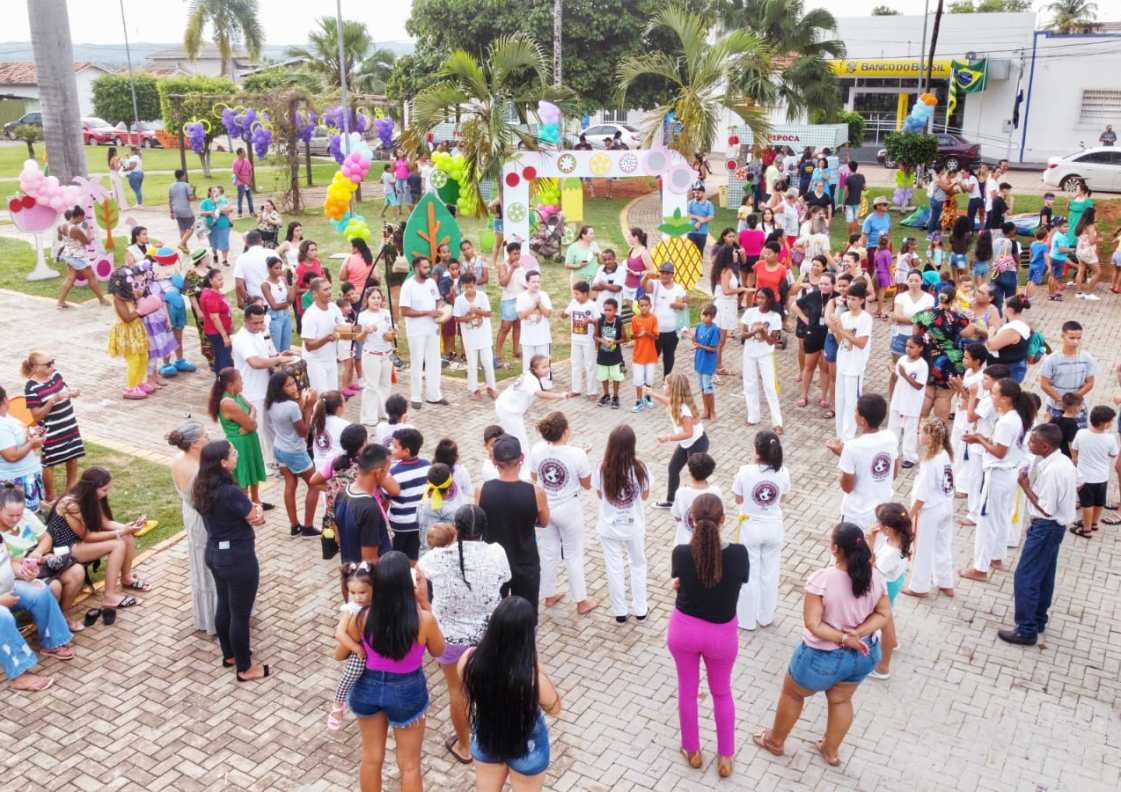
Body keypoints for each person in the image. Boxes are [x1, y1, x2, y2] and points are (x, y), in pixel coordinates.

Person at [752, 522, 890, 767]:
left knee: (793, 694)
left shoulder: (822, 580)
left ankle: (775, 741)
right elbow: (883, 615)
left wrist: (845, 638)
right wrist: (858, 633)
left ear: (836, 549)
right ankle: (830, 751)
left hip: (822, 657)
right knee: (841, 700)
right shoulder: (876, 576)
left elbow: (813, 625)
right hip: (864, 654)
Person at [416, 505, 511, 762]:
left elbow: (416, 576)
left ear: (455, 529)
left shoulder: (436, 558)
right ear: (484, 529)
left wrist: (426, 607)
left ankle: (464, 747)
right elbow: (505, 581)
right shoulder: (496, 552)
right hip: (488, 637)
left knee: (457, 691)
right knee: (490, 689)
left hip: (449, 638)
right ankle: (495, 742)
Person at [345, 552, 445, 792]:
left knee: (371, 758)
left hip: (367, 686)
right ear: (407, 582)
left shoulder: (362, 616)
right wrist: (424, 602)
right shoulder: (424, 620)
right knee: (409, 765)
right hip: (407, 690)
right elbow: (439, 650)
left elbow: (342, 649)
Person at [667, 493, 746, 777]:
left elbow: (683, 581)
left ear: (691, 520)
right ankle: (725, 756)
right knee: (722, 693)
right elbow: (735, 581)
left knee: (687, 690)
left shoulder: (681, 553)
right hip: (722, 635)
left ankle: (693, 750)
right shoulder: (738, 555)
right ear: (723, 520)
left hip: (684, 630)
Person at [459, 596, 561, 790]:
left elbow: (465, 684)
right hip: (527, 744)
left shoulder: (469, 659)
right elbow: (555, 707)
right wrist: (536, 665)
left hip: (487, 736)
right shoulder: (531, 678)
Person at [998, 423, 1078, 646]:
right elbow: (1079, 483)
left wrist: (1025, 486)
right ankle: (1039, 618)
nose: (1029, 445)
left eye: (1032, 442)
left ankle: (1026, 629)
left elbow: (1047, 508)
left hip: (1046, 526)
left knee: (1026, 576)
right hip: (1054, 528)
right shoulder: (1062, 462)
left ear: (1044, 446)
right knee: (1044, 575)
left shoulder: (1053, 471)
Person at [45, 466, 149, 624]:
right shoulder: (72, 504)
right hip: (66, 547)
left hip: (80, 541)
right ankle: (110, 597)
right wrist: (120, 532)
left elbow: (105, 523)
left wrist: (129, 527)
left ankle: (127, 578)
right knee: (117, 545)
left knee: (126, 537)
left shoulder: (90, 497)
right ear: (92, 488)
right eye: (104, 490)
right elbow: (87, 536)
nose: (106, 494)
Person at [960, 378, 1035, 581]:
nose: (991, 396)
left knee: (986, 521)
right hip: (1009, 473)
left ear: (1005, 398)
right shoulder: (1016, 417)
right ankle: (996, 556)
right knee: (1001, 517)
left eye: (994, 393)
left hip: (999, 473)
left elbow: (999, 452)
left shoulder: (1007, 421)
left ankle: (980, 567)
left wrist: (979, 439)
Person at [0, 494, 75, 691]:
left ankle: (52, 641)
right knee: (3, 618)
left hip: (9, 587)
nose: (16, 519)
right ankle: (19, 675)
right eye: (11, 515)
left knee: (40, 590)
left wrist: (24, 573)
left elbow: (7, 564)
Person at [529, 412, 597, 616]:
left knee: (548, 553)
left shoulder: (537, 449)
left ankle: (548, 595)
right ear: (565, 431)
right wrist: (582, 457)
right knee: (573, 554)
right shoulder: (577, 454)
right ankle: (581, 601)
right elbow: (587, 485)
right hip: (569, 508)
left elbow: (533, 476)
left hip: (544, 507)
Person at [478, 435, 548, 616]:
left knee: (493, 612)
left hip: (493, 560)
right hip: (525, 560)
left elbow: (479, 521)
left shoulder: (482, 490)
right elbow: (544, 521)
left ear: (494, 461)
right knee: (527, 612)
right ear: (522, 458)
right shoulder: (536, 492)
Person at [731, 431, 789, 631]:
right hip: (773, 526)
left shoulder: (745, 472)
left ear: (756, 451)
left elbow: (738, 499)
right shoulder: (782, 472)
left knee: (749, 575)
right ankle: (765, 617)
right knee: (770, 574)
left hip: (750, 527)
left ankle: (746, 620)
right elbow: (784, 494)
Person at [593, 426, 650, 623]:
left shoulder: (602, 468)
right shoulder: (640, 469)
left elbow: (600, 494)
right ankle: (641, 608)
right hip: (633, 526)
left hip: (609, 526)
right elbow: (644, 494)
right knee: (638, 565)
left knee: (614, 568)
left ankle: (620, 611)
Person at [167, 421, 217, 634]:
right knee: (211, 567)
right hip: (204, 521)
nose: (209, 437)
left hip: (191, 515)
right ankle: (215, 617)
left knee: (201, 563)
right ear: (195, 443)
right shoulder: (197, 470)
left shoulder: (178, 459)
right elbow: (208, 502)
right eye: (205, 435)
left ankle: (207, 616)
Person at [827, 394, 898, 532]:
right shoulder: (891, 438)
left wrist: (843, 456)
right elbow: (893, 474)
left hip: (857, 515)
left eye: (856, 412)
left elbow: (847, 487)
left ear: (862, 421)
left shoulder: (852, 447)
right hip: (883, 512)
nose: (854, 414)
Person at [21, 352, 84, 503]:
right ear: (35, 367)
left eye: (53, 362)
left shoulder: (56, 374)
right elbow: (36, 417)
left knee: (72, 455)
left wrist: (72, 393)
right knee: (50, 462)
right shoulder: (31, 388)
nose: (53, 366)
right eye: (48, 364)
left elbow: (65, 390)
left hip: (69, 424)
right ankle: (50, 496)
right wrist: (52, 400)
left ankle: (70, 492)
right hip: (51, 429)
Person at [904, 417, 956, 599]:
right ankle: (945, 581)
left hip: (930, 510)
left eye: (921, 431)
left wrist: (909, 515)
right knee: (943, 545)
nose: (918, 434)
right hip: (946, 505)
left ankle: (919, 586)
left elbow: (922, 496)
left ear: (929, 437)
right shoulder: (947, 454)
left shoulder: (929, 462)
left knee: (922, 548)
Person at [265, 371, 321, 538]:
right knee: (314, 485)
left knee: (290, 485)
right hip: (295, 451)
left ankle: (294, 526)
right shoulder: (291, 407)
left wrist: (302, 405)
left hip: (279, 448)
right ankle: (308, 527)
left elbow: (291, 421)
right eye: (288, 385)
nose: (294, 387)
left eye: (293, 383)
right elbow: (304, 432)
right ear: (279, 388)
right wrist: (310, 406)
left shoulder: (271, 403)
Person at [208, 367, 268, 508]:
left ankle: (256, 500)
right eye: (240, 380)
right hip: (239, 443)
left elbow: (252, 409)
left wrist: (250, 418)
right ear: (230, 384)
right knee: (243, 476)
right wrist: (250, 421)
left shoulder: (237, 395)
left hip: (249, 439)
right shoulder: (228, 402)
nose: (243, 383)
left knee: (252, 469)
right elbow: (252, 425)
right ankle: (245, 507)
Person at [866, 503, 912, 680]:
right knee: (889, 619)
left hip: (884, 588)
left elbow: (873, 569)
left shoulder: (890, 553)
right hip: (894, 581)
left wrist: (870, 544)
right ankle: (892, 643)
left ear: (888, 528)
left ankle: (883, 667)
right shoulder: (904, 538)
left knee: (886, 624)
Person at [327, 562, 375, 730]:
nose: (358, 597)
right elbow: (339, 633)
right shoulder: (352, 609)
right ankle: (338, 705)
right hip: (359, 650)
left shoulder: (376, 605)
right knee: (352, 672)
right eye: (353, 593)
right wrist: (356, 648)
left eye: (362, 592)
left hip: (375, 649)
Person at [399, 257, 447, 407]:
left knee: (434, 361)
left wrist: (441, 309)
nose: (428, 270)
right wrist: (427, 313)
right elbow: (404, 311)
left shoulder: (432, 283)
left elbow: (438, 300)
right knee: (417, 362)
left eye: (428, 267)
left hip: (432, 328)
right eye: (425, 268)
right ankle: (415, 397)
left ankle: (434, 395)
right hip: (416, 330)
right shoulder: (408, 286)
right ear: (416, 268)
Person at [828, 281, 873, 441]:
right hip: (843, 362)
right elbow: (841, 342)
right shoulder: (845, 316)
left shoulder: (865, 318)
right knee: (840, 399)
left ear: (862, 300)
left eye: (854, 299)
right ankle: (840, 434)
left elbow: (861, 343)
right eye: (848, 298)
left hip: (856, 365)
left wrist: (840, 330)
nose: (850, 302)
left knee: (852, 402)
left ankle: (849, 436)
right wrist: (836, 329)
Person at [1070, 406, 1119, 538]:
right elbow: (1114, 454)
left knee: (1087, 504)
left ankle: (1086, 528)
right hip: (1102, 476)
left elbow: (1074, 448)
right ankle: (1093, 524)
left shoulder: (1082, 433)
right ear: (1105, 423)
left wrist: (1076, 458)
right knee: (1099, 502)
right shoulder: (1110, 438)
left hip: (1085, 477)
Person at [740, 287, 784, 433]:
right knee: (750, 385)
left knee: (770, 387)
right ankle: (753, 416)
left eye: (763, 298)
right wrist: (754, 331)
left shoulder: (775, 317)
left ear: (770, 299)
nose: (759, 300)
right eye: (757, 297)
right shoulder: (750, 313)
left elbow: (773, 341)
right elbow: (743, 335)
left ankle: (777, 422)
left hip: (766, 354)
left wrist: (764, 333)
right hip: (749, 353)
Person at [1040, 321, 1097, 426]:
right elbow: (1044, 384)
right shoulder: (1051, 360)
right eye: (1071, 338)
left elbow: (1090, 383)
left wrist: (1074, 399)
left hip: (1078, 409)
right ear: (1063, 336)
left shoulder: (1087, 358)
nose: (1076, 342)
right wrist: (1061, 400)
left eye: (1079, 338)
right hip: (1056, 408)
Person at [387, 427, 430, 561]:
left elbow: (386, 496)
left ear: (406, 451)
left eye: (395, 446)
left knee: (396, 558)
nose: (391, 449)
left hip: (399, 525)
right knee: (413, 556)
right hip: (419, 522)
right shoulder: (428, 466)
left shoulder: (394, 472)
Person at [0, 386, 45, 513]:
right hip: (17, 481)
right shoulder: (1, 426)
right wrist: (31, 443)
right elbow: (11, 456)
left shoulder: (5, 418)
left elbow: (15, 441)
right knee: (22, 519)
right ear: (5, 400)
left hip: (26, 475)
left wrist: (30, 434)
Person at [888, 335, 929, 468]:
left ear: (920, 348)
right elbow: (895, 379)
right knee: (893, 426)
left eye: (912, 347)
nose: (908, 349)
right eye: (907, 346)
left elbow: (919, 385)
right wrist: (891, 394)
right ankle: (891, 451)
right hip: (899, 398)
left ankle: (910, 456)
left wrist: (905, 375)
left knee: (910, 429)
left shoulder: (922, 365)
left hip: (912, 402)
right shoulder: (902, 360)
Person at [56, 206, 108, 309]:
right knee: (91, 277)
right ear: (79, 216)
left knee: (70, 278)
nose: (82, 220)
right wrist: (91, 237)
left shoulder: (62, 226)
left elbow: (60, 238)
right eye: (82, 218)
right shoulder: (75, 229)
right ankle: (102, 300)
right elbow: (87, 242)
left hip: (68, 255)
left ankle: (60, 301)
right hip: (78, 257)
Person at [647, 263, 687, 376]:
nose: (664, 275)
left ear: (672, 274)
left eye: (667, 273)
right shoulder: (655, 284)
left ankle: (667, 378)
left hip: (672, 330)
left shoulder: (679, 288)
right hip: (656, 330)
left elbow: (684, 304)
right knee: (653, 355)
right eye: (662, 272)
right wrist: (646, 277)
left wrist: (678, 306)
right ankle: (648, 378)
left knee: (669, 356)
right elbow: (646, 287)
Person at [562, 280, 599, 400]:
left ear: (585, 293)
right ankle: (576, 389)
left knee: (590, 365)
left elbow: (598, 321)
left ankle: (592, 391)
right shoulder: (573, 302)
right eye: (574, 294)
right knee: (575, 363)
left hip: (588, 339)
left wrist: (590, 321)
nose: (575, 296)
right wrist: (564, 312)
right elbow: (564, 315)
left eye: (577, 294)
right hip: (575, 338)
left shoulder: (592, 305)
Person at [985, 294, 1032, 383]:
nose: (1002, 308)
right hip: (1015, 365)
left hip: (1006, 371)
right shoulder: (1023, 321)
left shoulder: (1012, 329)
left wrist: (990, 332)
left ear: (1009, 310)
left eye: (1003, 305)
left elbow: (991, 346)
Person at [495, 243, 528, 368]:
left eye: (518, 253)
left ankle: (515, 351)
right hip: (508, 300)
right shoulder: (504, 266)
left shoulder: (523, 265)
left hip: (521, 298)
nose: (517, 256)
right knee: (505, 327)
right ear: (509, 254)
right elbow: (503, 283)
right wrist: (512, 269)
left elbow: (525, 280)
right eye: (515, 253)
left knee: (518, 325)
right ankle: (497, 354)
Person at [516, 271, 553, 374]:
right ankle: (529, 387)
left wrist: (539, 303)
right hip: (527, 338)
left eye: (538, 282)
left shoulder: (544, 295)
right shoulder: (521, 297)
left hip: (543, 337)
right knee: (528, 365)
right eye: (533, 282)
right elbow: (521, 316)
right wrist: (533, 305)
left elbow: (548, 313)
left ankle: (545, 385)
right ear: (527, 283)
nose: (536, 284)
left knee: (544, 364)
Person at [199, 268, 234, 374]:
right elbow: (214, 317)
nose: (221, 282)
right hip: (217, 333)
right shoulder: (211, 296)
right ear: (210, 281)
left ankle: (220, 379)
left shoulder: (213, 292)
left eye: (222, 279)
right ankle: (226, 382)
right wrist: (224, 335)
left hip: (219, 331)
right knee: (225, 359)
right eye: (218, 280)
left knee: (220, 357)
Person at [629, 295, 660, 412]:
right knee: (638, 380)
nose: (644, 308)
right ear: (638, 307)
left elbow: (656, 336)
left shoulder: (653, 318)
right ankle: (638, 400)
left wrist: (647, 333)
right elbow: (632, 335)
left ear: (650, 306)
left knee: (649, 379)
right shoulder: (634, 319)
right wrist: (638, 335)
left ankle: (647, 396)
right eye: (641, 306)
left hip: (651, 355)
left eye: (646, 305)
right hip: (638, 355)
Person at [594, 298, 626, 408]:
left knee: (616, 376)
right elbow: (595, 336)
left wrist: (614, 342)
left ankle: (616, 396)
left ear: (616, 310)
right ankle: (606, 395)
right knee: (604, 376)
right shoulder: (600, 321)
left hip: (615, 356)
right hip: (602, 355)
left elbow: (624, 338)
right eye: (605, 310)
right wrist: (602, 341)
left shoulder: (619, 322)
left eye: (610, 310)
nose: (607, 312)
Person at [199, 185, 233, 267]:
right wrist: (209, 212)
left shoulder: (223, 200)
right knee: (213, 243)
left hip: (223, 224)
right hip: (211, 226)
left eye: (216, 191)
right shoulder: (205, 202)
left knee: (225, 242)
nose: (215, 192)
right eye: (213, 191)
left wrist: (221, 210)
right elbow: (201, 213)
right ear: (209, 193)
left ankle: (225, 260)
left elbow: (230, 209)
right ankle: (215, 255)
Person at [1074, 207, 1101, 300]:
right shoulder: (1090, 226)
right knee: (1098, 272)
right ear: (1091, 215)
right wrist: (1099, 239)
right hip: (1088, 252)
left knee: (1080, 271)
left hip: (1079, 251)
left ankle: (1078, 293)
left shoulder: (1080, 224)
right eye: (1095, 214)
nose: (1096, 215)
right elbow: (1092, 241)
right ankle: (1089, 293)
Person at [168, 169, 195, 253]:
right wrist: (194, 196)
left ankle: (185, 248)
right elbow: (190, 198)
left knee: (182, 229)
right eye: (185, 175)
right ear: (183, 176)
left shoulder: (171, 186)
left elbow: (170, 199)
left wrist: (171, 212)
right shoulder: (186, 185)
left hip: (176, 210)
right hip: (185, 210)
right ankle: (181, 243)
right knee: (192, 227)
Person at [687, 185, 714, 256]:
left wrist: (700, 222)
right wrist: (698, 218)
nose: (696, 195)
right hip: (691, 232)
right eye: (695, 193)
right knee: (690, 253)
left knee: (699, 252)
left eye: (698, 193)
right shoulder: (690, 203)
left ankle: (699, 267)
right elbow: (688, 215)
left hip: (702, 233)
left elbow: (711, 216)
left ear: (703, 193)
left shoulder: (708, 204)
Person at [232, 148, 254, 217]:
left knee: (249, 197)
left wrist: (249, 180)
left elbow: (250, 171)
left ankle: (252, 211)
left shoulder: (247, 161)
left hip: (248, 182)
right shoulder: (236, 162)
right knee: (240, 198)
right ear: (240, 153)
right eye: (243, 152)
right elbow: (237, 174)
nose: (245, 153)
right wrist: (245, 182)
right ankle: (240, 212)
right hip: (240, 183)